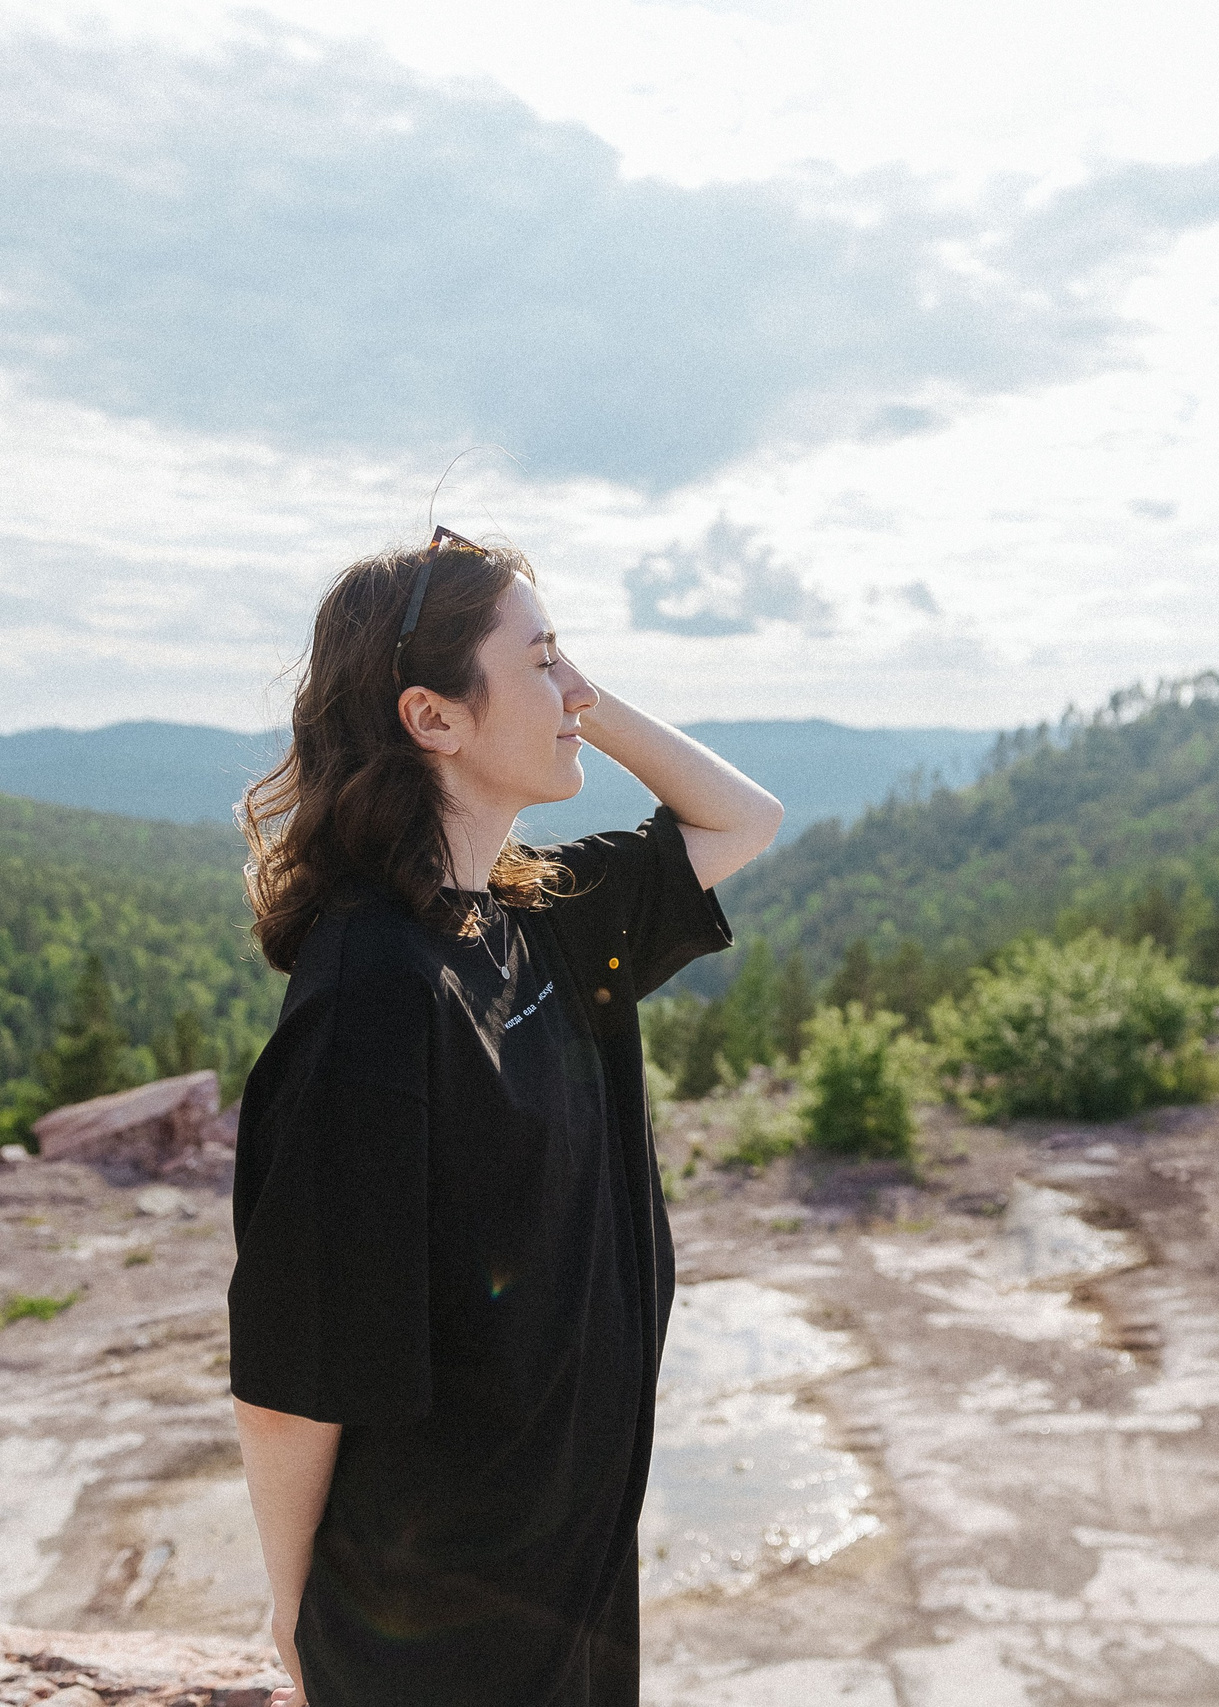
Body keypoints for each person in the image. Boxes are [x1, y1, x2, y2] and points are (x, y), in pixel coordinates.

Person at [227, 527, 784, 1706]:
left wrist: (571, 690)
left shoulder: (534, 923)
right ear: (434, 719)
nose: (573, 691)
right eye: (539, 663)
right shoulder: (370, 996)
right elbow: (293, 1374)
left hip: (566, 1563)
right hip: (443, 1620)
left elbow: (742, 818)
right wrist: (296, 1614)